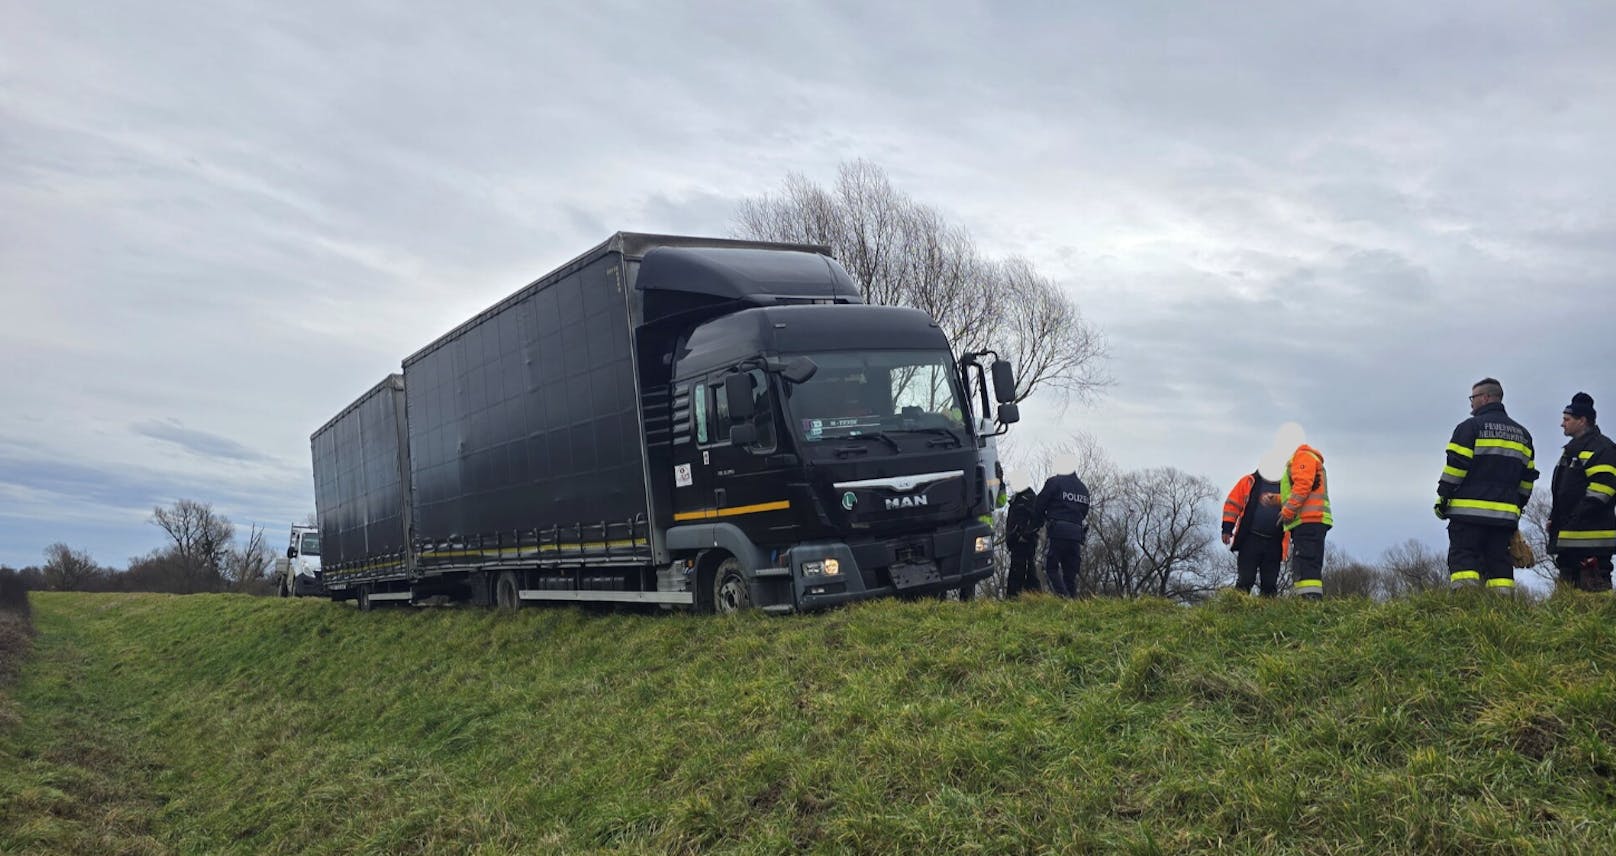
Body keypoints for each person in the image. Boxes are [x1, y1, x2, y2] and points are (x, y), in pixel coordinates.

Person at [1434, 377, 1537, 594]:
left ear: (1486, 397)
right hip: (1504, 518)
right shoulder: (1523, 435)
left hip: (1467, 515)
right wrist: (1516, 507)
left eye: (1473, 397)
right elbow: (1527, 480)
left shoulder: (1469, 428)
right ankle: (1502, 611)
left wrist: (1443, 497)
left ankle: (1466, 606)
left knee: (1464, 559)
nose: (1471, 403)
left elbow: (1456, 467)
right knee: (1500, 564)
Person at [1547, 392, 1616, 592]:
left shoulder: (1602, 449)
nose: (1562, 424)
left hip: (1592, 537)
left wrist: (1573, 518)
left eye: (1567, 420)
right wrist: (1555, 517)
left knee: (1594, 592)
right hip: (1571, 538)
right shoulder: (1571, 451)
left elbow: (1603, 490)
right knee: (1567, 594)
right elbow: (1564, 491)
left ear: (1583, 420)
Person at [1221, 468, 1288, 597]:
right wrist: (1227, 528)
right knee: (1245, 580)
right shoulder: (1249, 481)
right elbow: (1232, 504)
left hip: (1275, 542)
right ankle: (1236, 609)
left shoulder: (1288, 487)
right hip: (1250, 539)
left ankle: (1267, 613)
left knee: (1270, 584)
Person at [1033, 455, 1091, 598]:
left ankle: (1063, 597)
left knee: (1051, 568)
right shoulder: (1083, 488)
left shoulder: (1054, 482)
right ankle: (1072, 603)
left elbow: (1039, 505)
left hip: (1058, 532)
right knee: (1070, 574)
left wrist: (1037, 523)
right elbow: (1084, 512)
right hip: (1076, 534)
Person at [1279, 440, 1332, 599]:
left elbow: (1303, 485)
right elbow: (1301, 490)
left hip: (1308, 521)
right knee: (1308, 565)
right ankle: (1309, 605)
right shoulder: (1307, 459)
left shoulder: (1302, 457)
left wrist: (1287, 511)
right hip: (1312, 521)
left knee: (1306, 567)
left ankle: (1309, 605)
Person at [1002, 471, 1041, 597]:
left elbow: (1037, 519)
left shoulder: (1030, 498)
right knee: (1023, 570)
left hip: (1025, 541)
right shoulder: (1017, 499)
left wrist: (1025, 534)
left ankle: (1014, 598)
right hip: (1015, 541)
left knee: (1021, 571)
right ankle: (1030, 596)